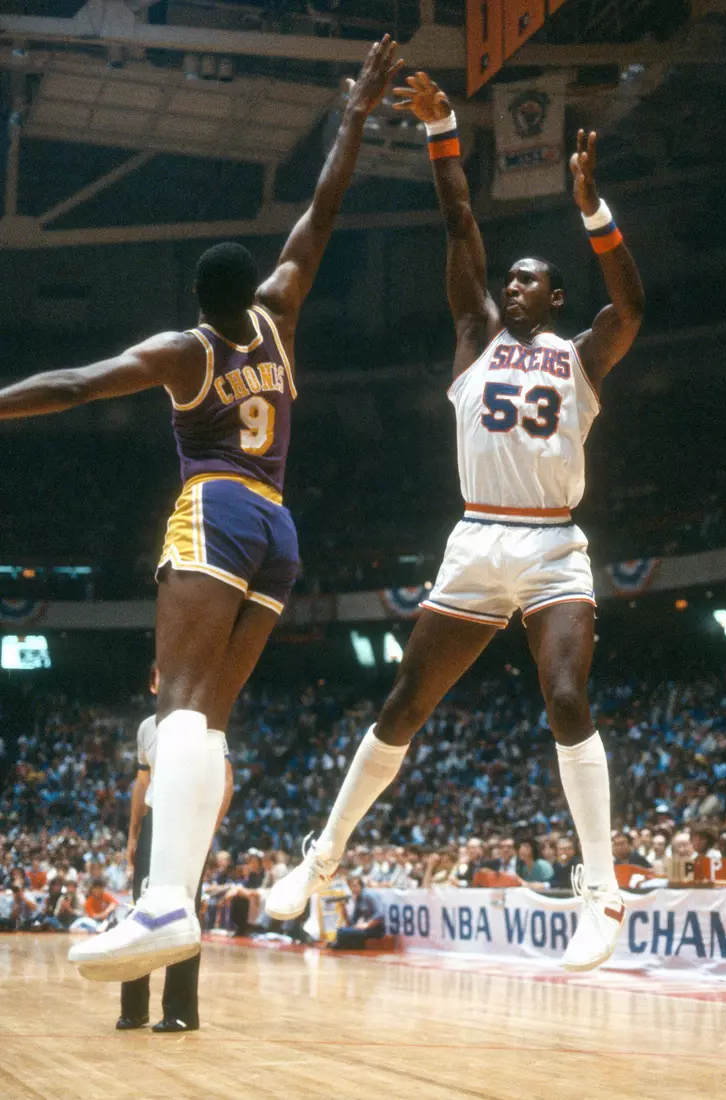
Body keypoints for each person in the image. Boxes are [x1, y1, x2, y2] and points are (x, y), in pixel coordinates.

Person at [0, 36, 402, 983]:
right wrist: (353, 116)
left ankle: (163, 903)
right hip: (281, 526)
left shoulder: (185, 351)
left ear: (194, 297)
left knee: (174, 710)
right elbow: (323, 209)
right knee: (208, 725)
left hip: (217, 506)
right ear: (249, 286)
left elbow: (68, 385)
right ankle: (170, 905)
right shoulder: (283, 306)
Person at [267, 71, 645, 975]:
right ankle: (320, 860)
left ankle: (601, 893)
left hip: (553, 544)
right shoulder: (473, 339)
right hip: (476, 541)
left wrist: (595, 217)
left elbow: (630, 307)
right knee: (404, 704)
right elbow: (461, 229)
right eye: (509, 280)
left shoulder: (582, 354)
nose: (513, 287)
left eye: (530, 282)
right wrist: (442, 132)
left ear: (553, 299)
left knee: (564, 699)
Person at [117, 698, 233, 1033]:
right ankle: (134, 1009)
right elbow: (142, 783)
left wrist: (208, 830)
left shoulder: (208, 724)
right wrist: (134, 834)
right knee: (140, 910)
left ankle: (181, 1011)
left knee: (185, 912)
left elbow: (226, 778)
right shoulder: (147, 727)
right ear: (154, 682)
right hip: (155, 821)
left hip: (190, 823)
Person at [329, 876, 385, 950]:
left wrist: (367, 925)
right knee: (341, 930)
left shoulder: (369, 895)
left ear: (361, 886)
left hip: (376, 929)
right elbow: (352, 923)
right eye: (351, 887)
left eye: (355, 886)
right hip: (366, 929)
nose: (352, 889)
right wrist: (344, 911)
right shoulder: (358, 898)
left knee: (341, 933)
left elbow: (380, 914)